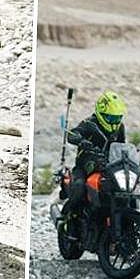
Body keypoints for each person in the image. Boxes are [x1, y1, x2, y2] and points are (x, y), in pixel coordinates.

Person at [57, 91, 128, 230]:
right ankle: (67, 218)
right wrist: (80, 140)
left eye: (117, 118)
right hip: (85, 166)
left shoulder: (120, 127)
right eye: (110, 118)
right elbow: (73, 134)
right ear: (101, 114)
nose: (114, 122)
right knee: (79, 187)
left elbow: (122, 146)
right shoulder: (89, 124)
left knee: (125, 188)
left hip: (109, 166)